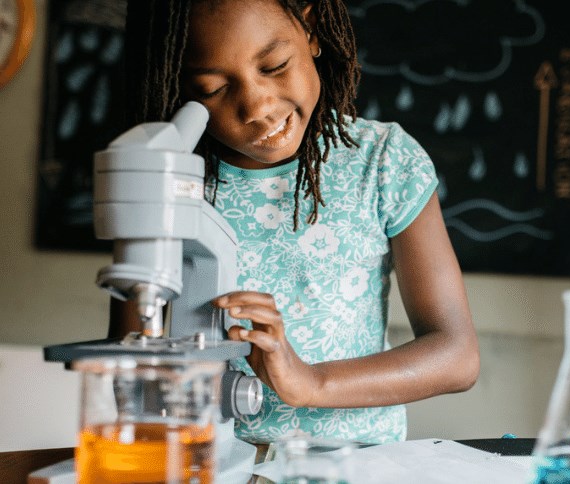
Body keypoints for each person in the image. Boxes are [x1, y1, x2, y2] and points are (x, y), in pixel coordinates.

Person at [114, 0, 479, 444]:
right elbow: (128, 358)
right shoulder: (164, 177)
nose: (256, 107)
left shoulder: (383, 162)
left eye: (274, 65)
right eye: (212, 89)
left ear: (310, 29)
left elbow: (457, 355)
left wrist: (311, 383)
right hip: (207, 462)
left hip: (358, 463)